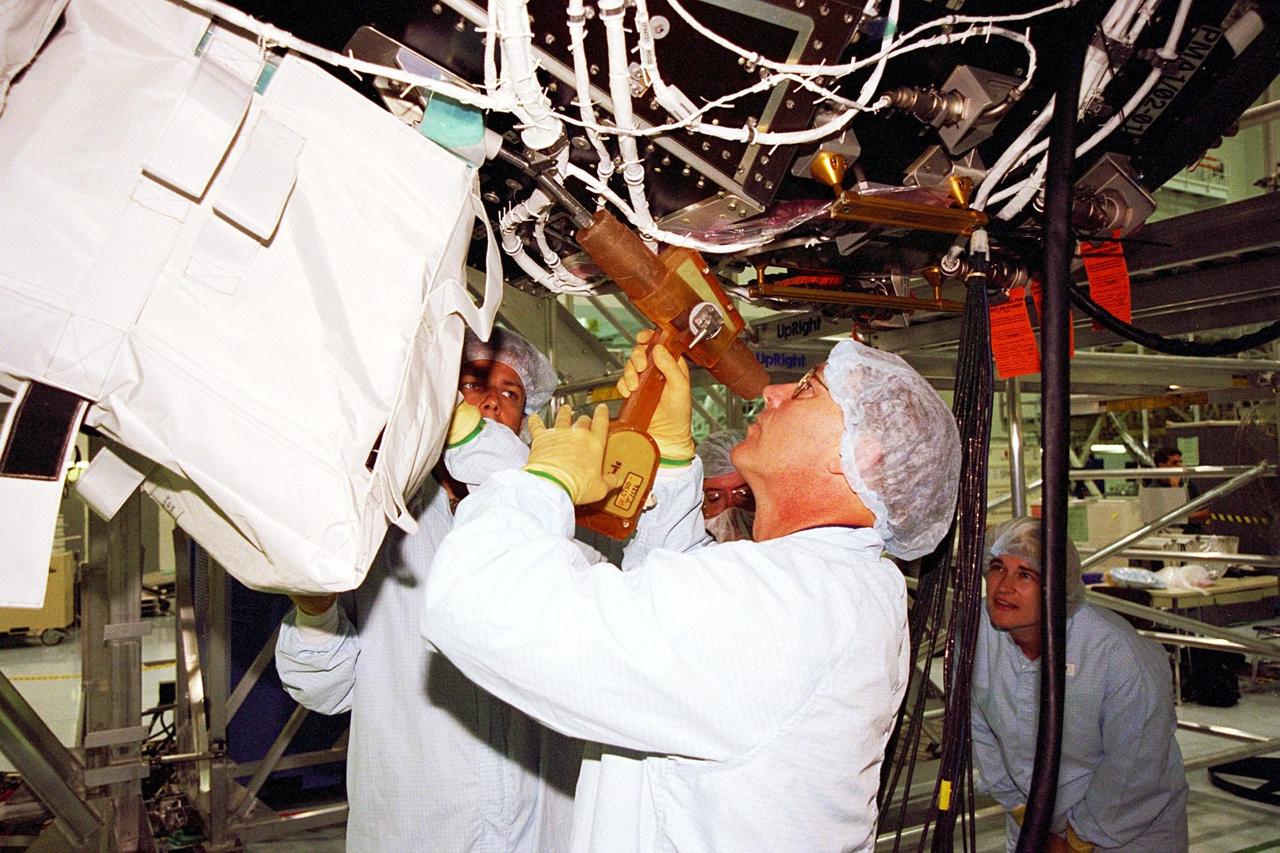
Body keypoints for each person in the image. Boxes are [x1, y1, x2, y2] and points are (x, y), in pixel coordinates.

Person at [421, 334, 961, 852]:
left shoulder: (789, 607)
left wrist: (546, 481)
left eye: (805, 390)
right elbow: (686, 606)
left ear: (858, 457)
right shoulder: (829, 587)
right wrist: (674, 459)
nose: (772, 392)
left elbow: (482, 602)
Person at [275, 328, 581, 851]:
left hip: (542, 823)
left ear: (527, 416)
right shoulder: (378, 522)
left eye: (510, 392)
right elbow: (328, 691)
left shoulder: (556, 522)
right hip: (420, 823)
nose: (490, 401)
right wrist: (314, 611)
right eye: (470, 385)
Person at [971, 517, 1188, 853]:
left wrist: (1076, 840)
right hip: (1032, 823)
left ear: (1058, 585)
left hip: (1127, 830)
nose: (1004, 587)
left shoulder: (1118, 656)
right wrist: (1022, 811)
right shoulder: (976, 638)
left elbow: (1134, 764)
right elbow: (978, 730)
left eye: (1025, 574)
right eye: (998, 568)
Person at [695, 429, 753, 541]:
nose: (730, 508)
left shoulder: (786, 547)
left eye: (744, 494)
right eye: (715, 497)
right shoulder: (688, 554)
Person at [1152, 446, 1210, 533]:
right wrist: (1174, 486)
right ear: (1161, 466)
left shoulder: (1188, 484)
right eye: (1174, 463)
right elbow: (1160, 518)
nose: (1180, 466)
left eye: (1180, 462)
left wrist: (1182, 517)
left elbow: (1205, 513)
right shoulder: (1153, 489)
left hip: (1192, 534)